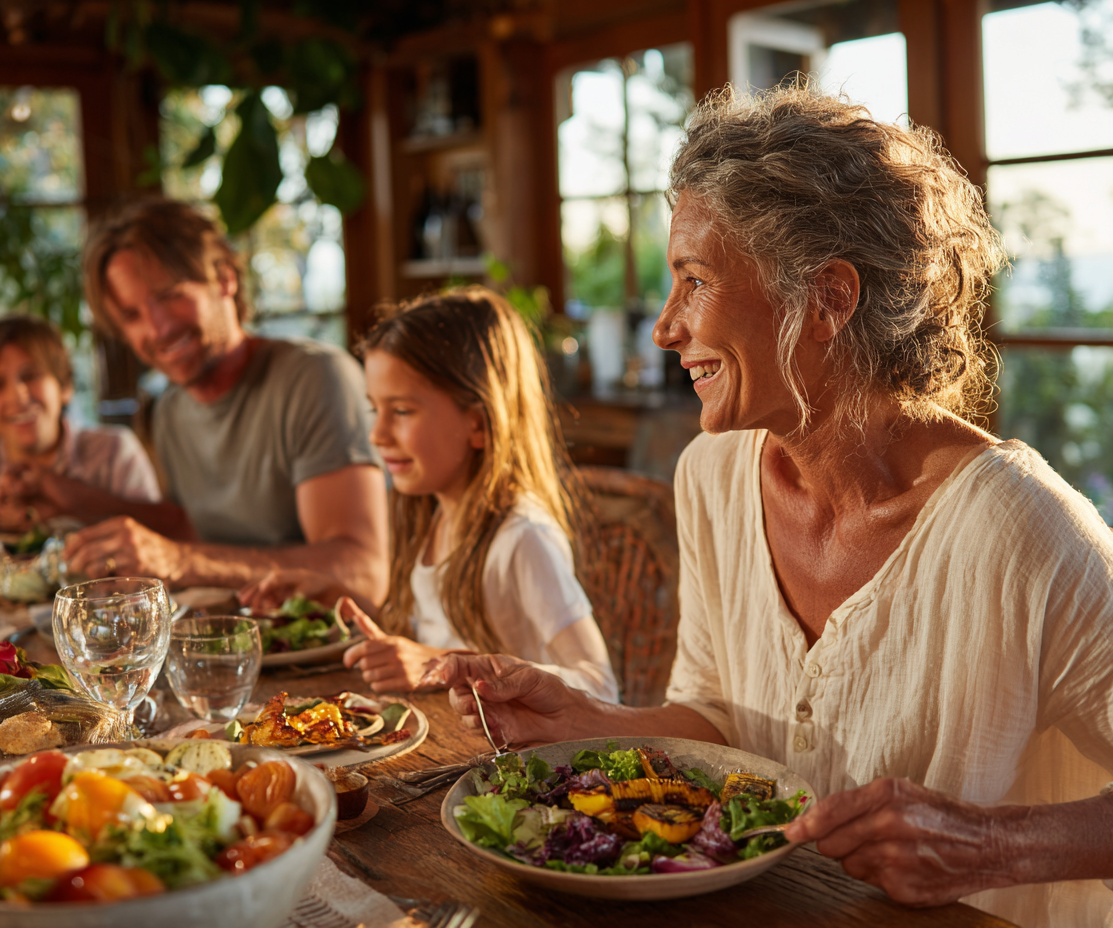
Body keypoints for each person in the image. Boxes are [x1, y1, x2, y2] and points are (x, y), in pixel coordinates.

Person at [423, 84, 1113, 928]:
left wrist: (991, 845)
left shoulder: (1019, 530)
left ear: (827, 299)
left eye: (694, 281)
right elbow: (719, 718)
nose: (665, 327)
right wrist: (594, 720)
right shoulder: (712, 476)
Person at [243, 288, 618, 702]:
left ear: (478, 423)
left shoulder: (521, 539)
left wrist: (439, 664)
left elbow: (600, 686)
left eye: (402, 411)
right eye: (375, 410)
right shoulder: (430, 515)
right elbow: (432, 635)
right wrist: (336, 599)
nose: (377, 434)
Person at [62, 198, 388, 606]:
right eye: (132, 315)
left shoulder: (315, 378)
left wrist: (180, 560)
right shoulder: (169, 409)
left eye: (169, 295)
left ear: (225, 279)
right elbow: (194, 535)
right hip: (223, 636)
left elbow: (363, 571)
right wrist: (68, 500)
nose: (157, 329)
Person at [0, 315, 161, 528]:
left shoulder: (113, 453)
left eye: (31, 376)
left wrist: (66, 496)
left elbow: (163, 532)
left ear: (65, 386)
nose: (18, 397)